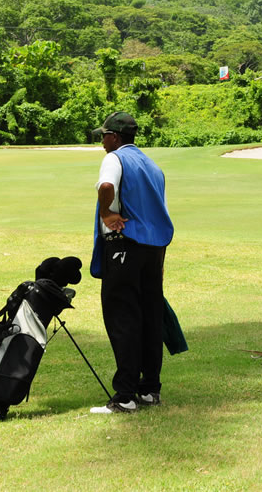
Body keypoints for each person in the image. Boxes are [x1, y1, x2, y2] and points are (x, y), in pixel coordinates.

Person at [88, 112, 174, 414]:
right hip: (153, 251)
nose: (102, 141)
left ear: (114, 137)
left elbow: (106, 188)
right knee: (150, 318)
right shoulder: (152, 164)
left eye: (103, 136)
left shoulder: (115, 158)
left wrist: (106, 214)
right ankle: (150, 389)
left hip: (125, 247)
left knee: (123, 318)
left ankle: (124, 395)